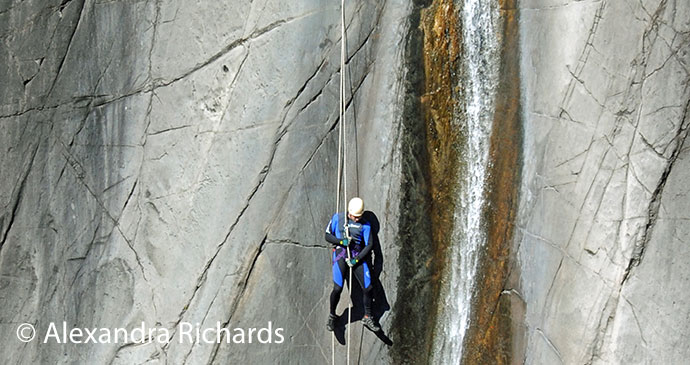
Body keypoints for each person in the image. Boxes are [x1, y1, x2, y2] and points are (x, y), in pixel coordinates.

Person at [325, 197, 380, 332]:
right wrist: (341, 242)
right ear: (349, 213)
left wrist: (357, 259)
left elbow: (369, 245)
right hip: (341, 254)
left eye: (359, 217)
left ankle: (367, 316)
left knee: (368, 287)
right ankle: (332, 315)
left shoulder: (365, 225)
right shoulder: (338, 218)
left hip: (356, 256)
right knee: (337, 288)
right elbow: (327, 235)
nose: (357, 219)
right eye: (355, 217)